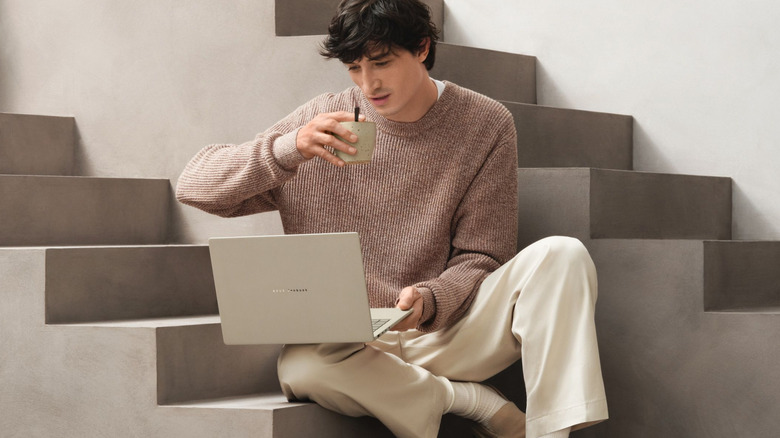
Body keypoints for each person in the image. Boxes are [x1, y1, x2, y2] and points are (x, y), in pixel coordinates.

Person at [175, 0, 608, 436]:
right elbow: (194, 185)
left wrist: (432, 297)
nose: (369, 83)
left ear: (421, 48)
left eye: (381, 63)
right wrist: (288, 150)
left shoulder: (485, 123)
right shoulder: (321, 122)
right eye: (354, 68)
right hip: (350, 347)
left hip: (444, 333)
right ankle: (468, 400)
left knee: (562, 255)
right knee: (302, 368)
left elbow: (483, 254)